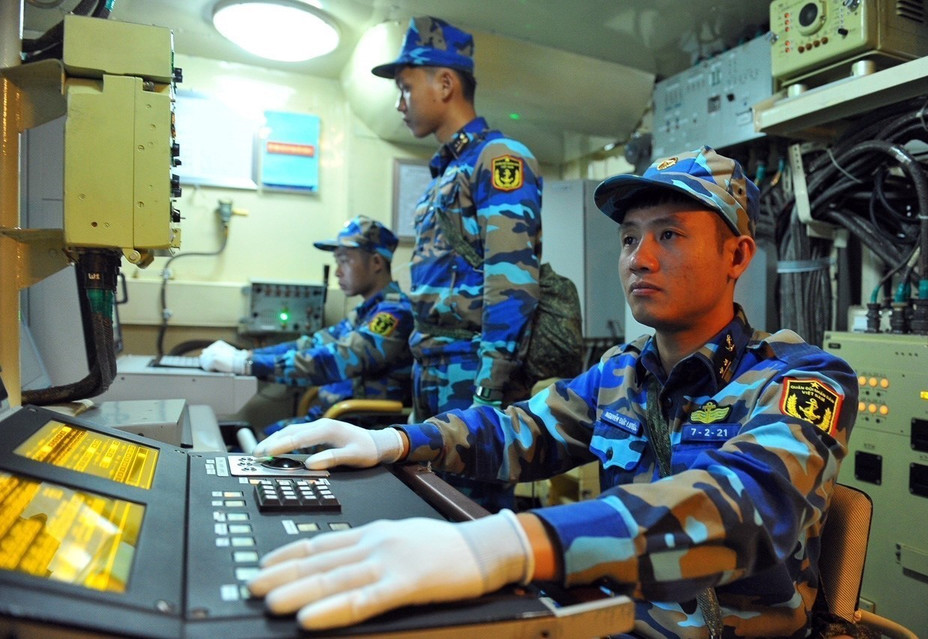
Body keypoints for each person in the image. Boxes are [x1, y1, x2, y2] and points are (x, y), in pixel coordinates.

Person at [247, 147, 859, 638]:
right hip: (610, 618)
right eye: (628, 238)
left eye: (669, 235)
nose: (639, 259)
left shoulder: (803, 380)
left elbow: (746, 506)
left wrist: (507, 545)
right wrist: (397, 439)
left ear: (736, 256)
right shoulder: (619, 373)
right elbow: (522, 428)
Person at [368, 16, 544, 510]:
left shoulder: (497, 158)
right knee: (431, 506)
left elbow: (511, 280)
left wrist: (489, 389)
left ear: (445, 83)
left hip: (472, 375)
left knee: (471, 519)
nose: (399, 102)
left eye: (405, 87)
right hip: (436, 371)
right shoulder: (449, 173)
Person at [200, 216, 413, 429]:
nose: (338, 271)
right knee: (258, 436)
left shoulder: (395, 313)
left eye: (345, 261)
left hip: (364, 428)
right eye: (337, 261)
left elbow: (339, 359)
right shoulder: (366, 311)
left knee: (261, 444)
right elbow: (312, 344)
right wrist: (247, 356)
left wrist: (246, 365)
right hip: (337, 419)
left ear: (376, 262)